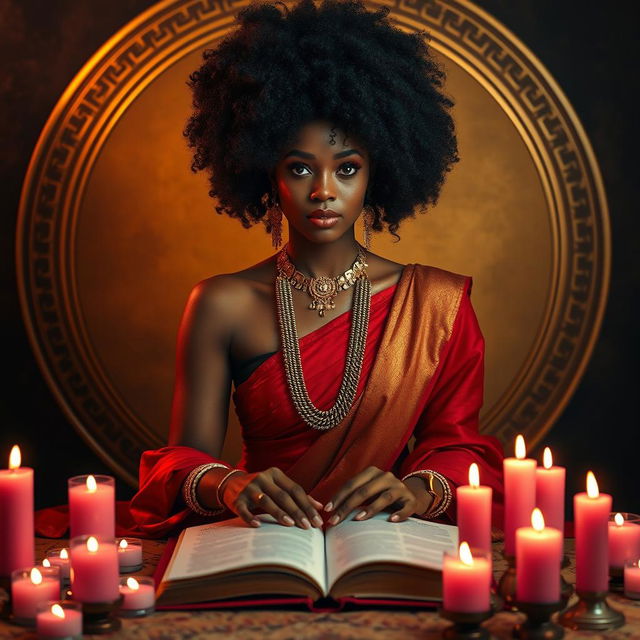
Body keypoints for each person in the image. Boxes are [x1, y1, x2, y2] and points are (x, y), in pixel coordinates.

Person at [128, 0, 504, 539]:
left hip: (382, 539)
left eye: (347, 168)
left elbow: (461, 448)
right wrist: (227, 484)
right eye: (300, 167)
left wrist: (418, 489)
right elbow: (180, 464)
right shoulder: (220, 303)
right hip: (260, 539)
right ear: (264, 172)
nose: (324, 190)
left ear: (379, 173)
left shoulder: (436, 305)